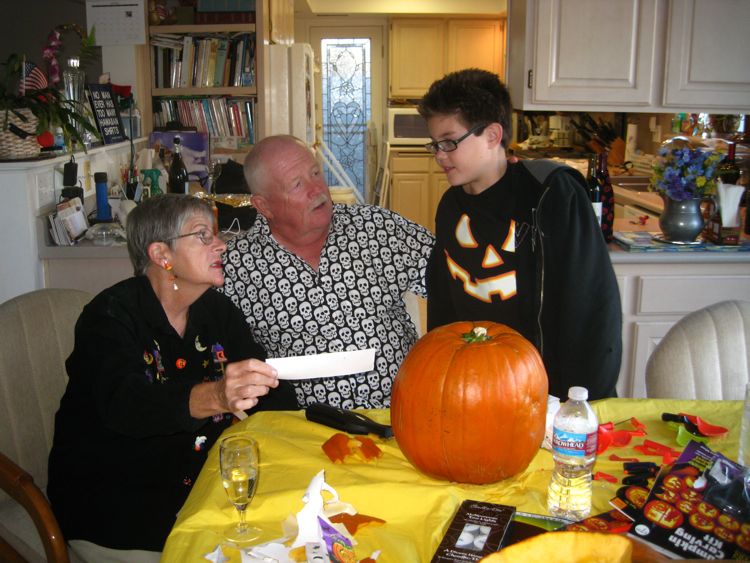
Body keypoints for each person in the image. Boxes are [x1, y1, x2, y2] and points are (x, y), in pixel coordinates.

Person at [48, 194, 297, 562]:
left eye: (216, 234)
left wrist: (276, 387)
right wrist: (218, 396)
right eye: (202, 235)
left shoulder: (216, 310)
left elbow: (267, 390)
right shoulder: (109, 317)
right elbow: (126, 406)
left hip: (205, 496)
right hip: (122, 513)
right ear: (162, 255)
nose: (221, 245)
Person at [418, 68, 621, 400]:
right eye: (435, 144)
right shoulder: (450, 206)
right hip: (481, 384)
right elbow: (444, 303)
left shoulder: (552, 194)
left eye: (450, 142)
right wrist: (445, 371)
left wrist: (581, 401)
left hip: (551, 390)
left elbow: (592, 307)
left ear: (493, 135)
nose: (440, 155)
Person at [221, 135, 435, 409]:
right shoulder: (236, 266)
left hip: (401, 416)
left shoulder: (376, 228)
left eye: (315, 173)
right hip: (302, 431)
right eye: (297, 185)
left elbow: (454, 277)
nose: (317, 189)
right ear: (264, 206)